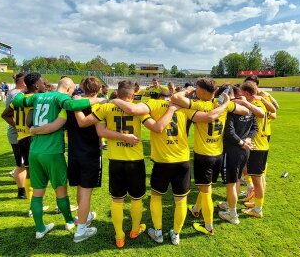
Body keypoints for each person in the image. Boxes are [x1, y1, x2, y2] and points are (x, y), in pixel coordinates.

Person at [111, 89, 232, 245]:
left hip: (162, 161)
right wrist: (225, 103)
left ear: (160, 97)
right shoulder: (183, 107)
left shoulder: (153, 103)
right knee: (181, 200)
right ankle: (176, 234)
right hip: (182, 160)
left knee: (156, 195)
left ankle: (158, 232)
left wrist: (114, 100)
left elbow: (133, 109)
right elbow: (209, 116)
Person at [11, 74, 103, 239]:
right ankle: (69, 221)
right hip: (53, 152)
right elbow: (74, 105)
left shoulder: (37, 96)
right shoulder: (62, 99)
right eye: (72, 90)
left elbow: (17, 101)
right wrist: (97, 100)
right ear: (68, 89)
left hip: (34, 151)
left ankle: (40, 228)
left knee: (38, 193)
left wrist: (21, 90)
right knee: (61, 191)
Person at [74, 80, 149, 248]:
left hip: (115, 160)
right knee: (136, 199)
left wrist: (76, 105)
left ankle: (119, 236)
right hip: (135, 159)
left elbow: (99, 131)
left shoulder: (106, 107)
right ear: (132, 95)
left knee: (117, 200)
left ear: (117, 92)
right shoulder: (138, 109)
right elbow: (154, 126)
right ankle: (135, 230)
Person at [170, 78, 248, 235]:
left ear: (202, 91)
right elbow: (245, 111)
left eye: (197, 88)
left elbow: (175, 98)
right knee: (206, 187)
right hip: (218, 154)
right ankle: (196, 209)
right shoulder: (221, 105)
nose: (195, 91)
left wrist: (187, 91)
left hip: (203, 156)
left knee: (206, 192)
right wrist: (227, 104)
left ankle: (208, 226)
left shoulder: (202, 105)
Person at [1, 73, 47, 213]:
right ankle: (35, 206)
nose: (44, 85)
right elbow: (31, 120)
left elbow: (4, 114)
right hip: (33, 138)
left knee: (28, 171)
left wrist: (18, 126)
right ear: (36, 85)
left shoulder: (18, 99)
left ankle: (32, 206)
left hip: (21, 138)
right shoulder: (36, 100)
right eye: (42, 83)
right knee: (40, 173)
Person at [218, 85, 258, 224]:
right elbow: (255, 128)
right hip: (245, 150)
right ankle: (230, 205)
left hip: (233, 151)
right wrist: (248, 139)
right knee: (236, 180)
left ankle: (233, 214)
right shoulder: (249, 109)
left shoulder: (232, 110)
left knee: (230, 183)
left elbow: (229, 132)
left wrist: (242, 142)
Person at [235, 81, 269, 218]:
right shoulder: (258, 102)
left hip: (257, 146)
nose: (241, 96)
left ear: (248, 94)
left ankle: (258, 209)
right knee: (259, 178)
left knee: (257, 179)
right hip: (262, 144)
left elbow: (261, 114)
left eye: (242, 93)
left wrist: (245, 104)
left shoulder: (256, 104)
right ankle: (257, 204)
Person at [5, 73, 27, 198]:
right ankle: (22, 191)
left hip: (17, 134)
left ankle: (22, 189)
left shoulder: (14, 93)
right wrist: (18, 127)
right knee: (22, 165)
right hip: (17, 135)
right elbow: (7, 115)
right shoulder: (17, 95)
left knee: (22, 164)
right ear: (24, 82)